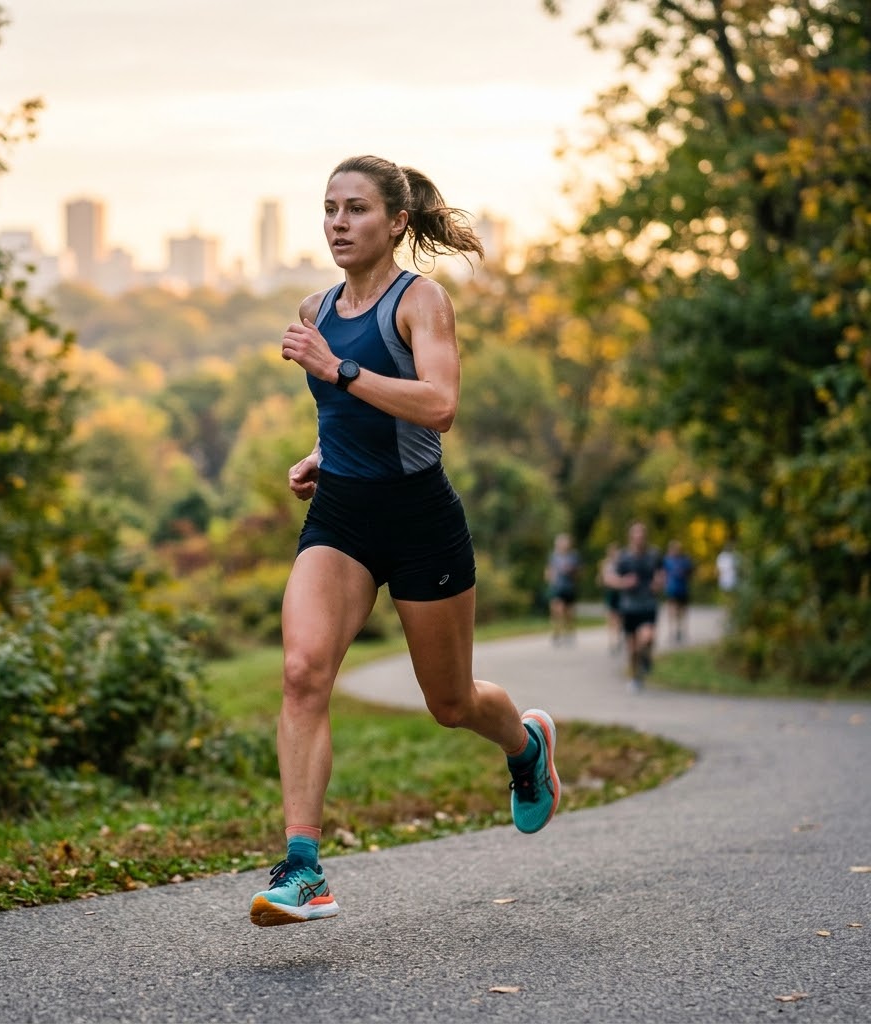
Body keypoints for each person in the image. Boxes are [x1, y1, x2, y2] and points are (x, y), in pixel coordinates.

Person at [250, 155, 560, 927]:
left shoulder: (420, 302)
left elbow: (438, 405)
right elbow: (349, 419)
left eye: (355, 209)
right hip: (344, 519)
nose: (337, 223)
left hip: (422, 523)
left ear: (395, 222)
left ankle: (524, 747)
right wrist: (322, 456)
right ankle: (303, 867)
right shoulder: (315, 306)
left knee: (450, 703)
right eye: (329, 209)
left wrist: (338, 367)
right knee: (301, 671)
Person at [603, 522, 666, 693]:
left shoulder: (653, 555)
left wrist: (658, 583)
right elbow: (608, 578)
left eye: (642, 536)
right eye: (636, 536)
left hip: (648, 605)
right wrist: (623, 582)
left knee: (647, 638)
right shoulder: (623, 557)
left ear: (645, 537)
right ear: (630, 538)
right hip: (629, 607)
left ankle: (646, 658)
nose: (639, 539)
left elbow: (662, 574)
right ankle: (635, 678)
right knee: (631, 649)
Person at [544, 532, 580, 645]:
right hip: (557, 587)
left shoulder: (574, 556)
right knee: (556, 610)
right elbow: (548, 570)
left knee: (569, 613)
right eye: (561, 542)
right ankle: (557, 632)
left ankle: (569, 632)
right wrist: (549, 579)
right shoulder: (553, 556)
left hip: (569, 587)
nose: (563, 544)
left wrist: (571, 570)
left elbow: (579, 572)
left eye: (565, 542)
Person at [662, 539, 694, 644]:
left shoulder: (685, 560)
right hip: (671, 589)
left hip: (683, 589)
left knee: (683, 611)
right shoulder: (666, 561)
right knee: (672, 610)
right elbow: (662, 574)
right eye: (674, 548)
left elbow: (691, 573)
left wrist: (685, 575)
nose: (676, 550)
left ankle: (682, 630)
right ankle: (672, 631)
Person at [597, 542, 622, 654]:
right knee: (610, 617)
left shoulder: (622, 563)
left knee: (619, 618)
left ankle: (618, 637)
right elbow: (600, 579)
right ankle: (612, 641)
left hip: (620, 593)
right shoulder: (605, 563)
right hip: (610, 593)